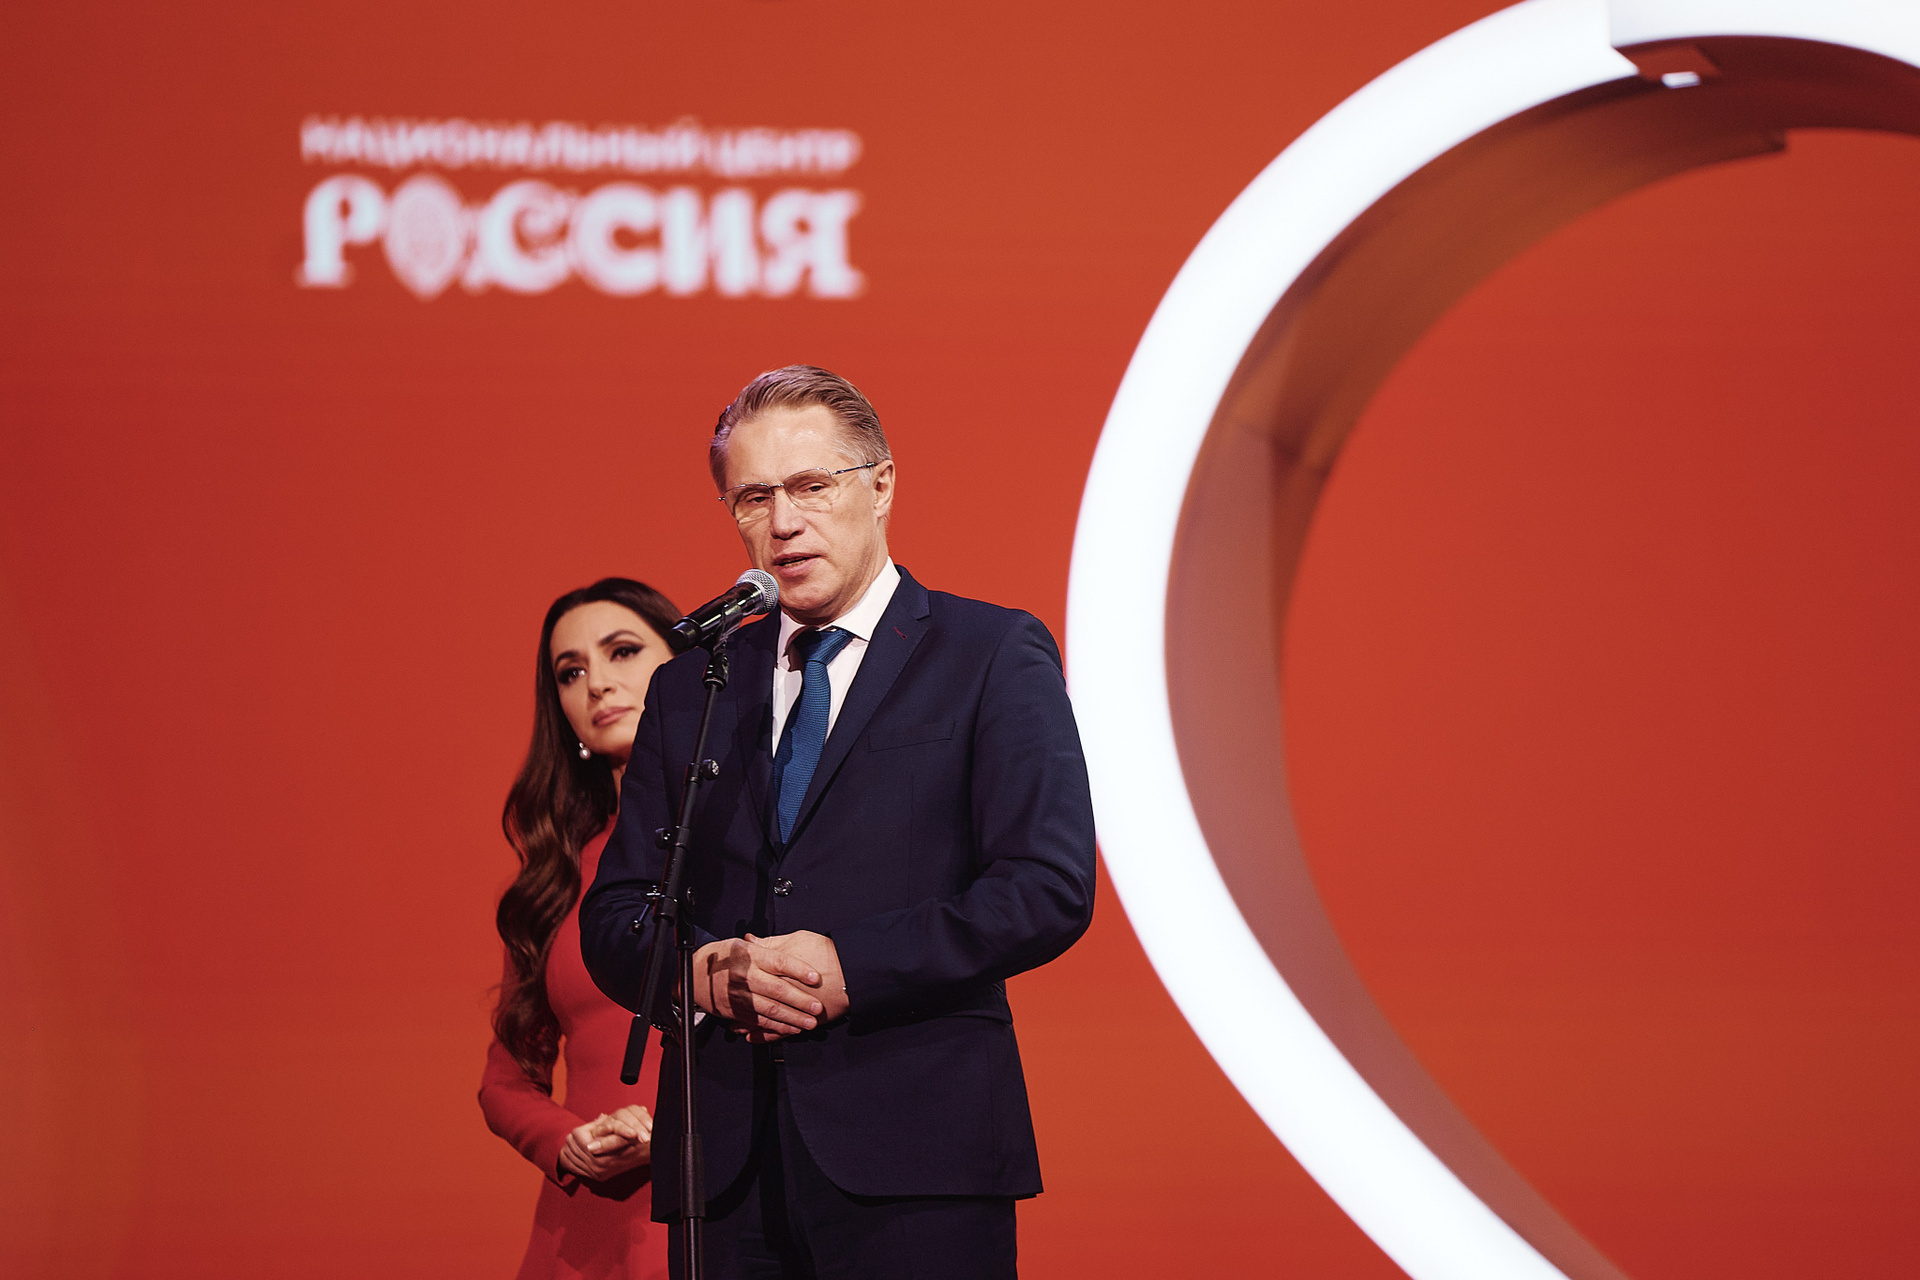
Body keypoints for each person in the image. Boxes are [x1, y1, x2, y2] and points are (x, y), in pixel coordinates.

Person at [580, 366, 1097, 1279]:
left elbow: (1045, 888)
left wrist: (850, 966)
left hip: (919, 1155)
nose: (783, 523)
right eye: (754, 498)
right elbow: (618, 912)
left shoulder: (989, 653)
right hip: (726, 1160)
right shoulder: (694, 685)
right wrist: (702, 972)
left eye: (812, 486)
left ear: (882, 484)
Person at [480, 577, 684, 1280]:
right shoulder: (557, 877)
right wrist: (570, 1141)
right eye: (570, 672)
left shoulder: (755, 847)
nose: (596, 683)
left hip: (717, 1206)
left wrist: (678, 1132)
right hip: (585, 1229)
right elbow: (506, 1080)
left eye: (622, 652)